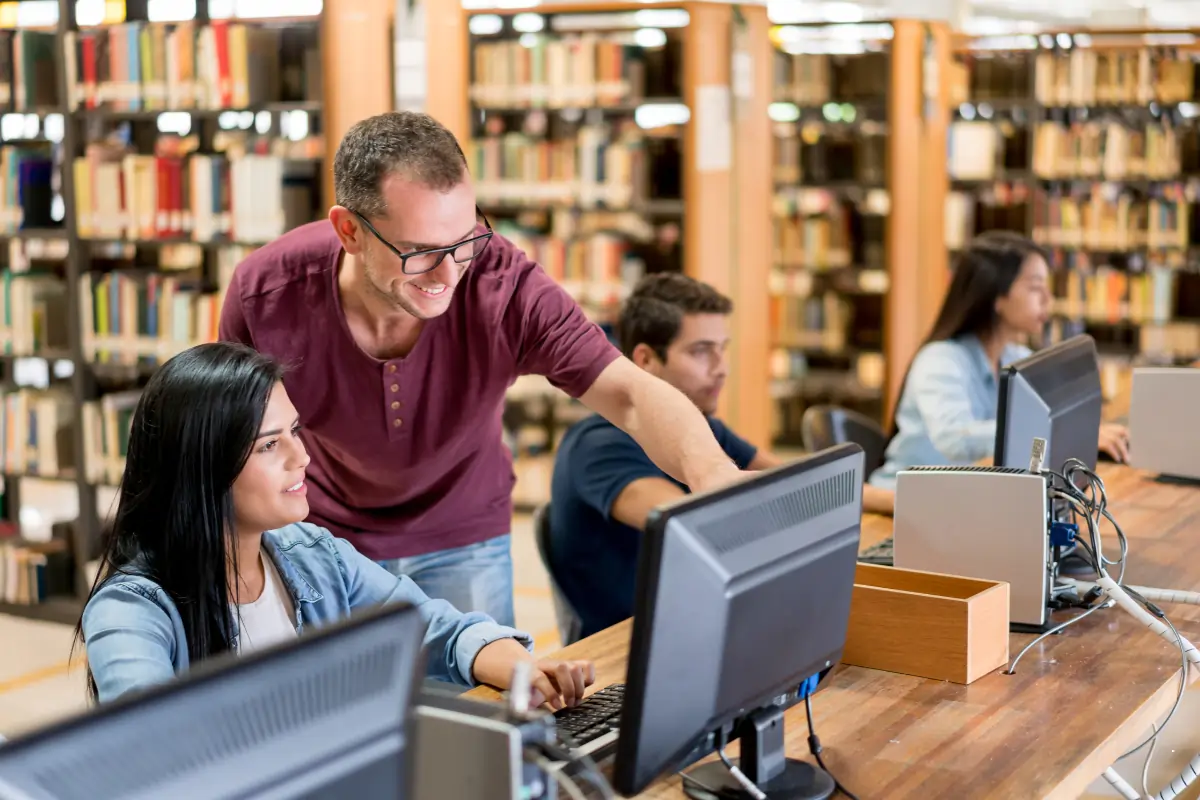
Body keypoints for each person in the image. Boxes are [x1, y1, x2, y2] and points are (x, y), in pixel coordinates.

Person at [218, 111, 746, 627]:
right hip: (325, 538)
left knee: (481, 708)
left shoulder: (504, 283)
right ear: (350, 230)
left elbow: (630, 393)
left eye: (465, 240)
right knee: (347, 713)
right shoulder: (265, 292)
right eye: (420, 251)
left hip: (465, 537)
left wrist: (713, 475)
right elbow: (231, 443)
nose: (449, 274)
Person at [76, 342, 594, 708]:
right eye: (269, 445)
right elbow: (143, 746)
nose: (302, 457)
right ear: (202, 465)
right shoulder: (131, 611)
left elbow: (433, 628)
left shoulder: (312, 554)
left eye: (296, 431)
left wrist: (519, 667)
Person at [548, 274, 896, 639]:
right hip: (633, 645)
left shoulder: (701, 429)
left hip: (710, 618)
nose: (721, 367)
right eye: (701, 351)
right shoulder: (599, 445)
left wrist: (902, 502)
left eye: (722, 348)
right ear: (647, 359)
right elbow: (697, 527)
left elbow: (792, 475)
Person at [869, 231, 1130, 489]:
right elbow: (955, 439)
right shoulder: (940, 361)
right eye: (1035, 288)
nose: (1047, 300)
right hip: (903, 501)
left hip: (965, 496)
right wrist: (1055, 435)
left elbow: (1056, 414)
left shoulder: (1017, 357)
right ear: (996, 295)